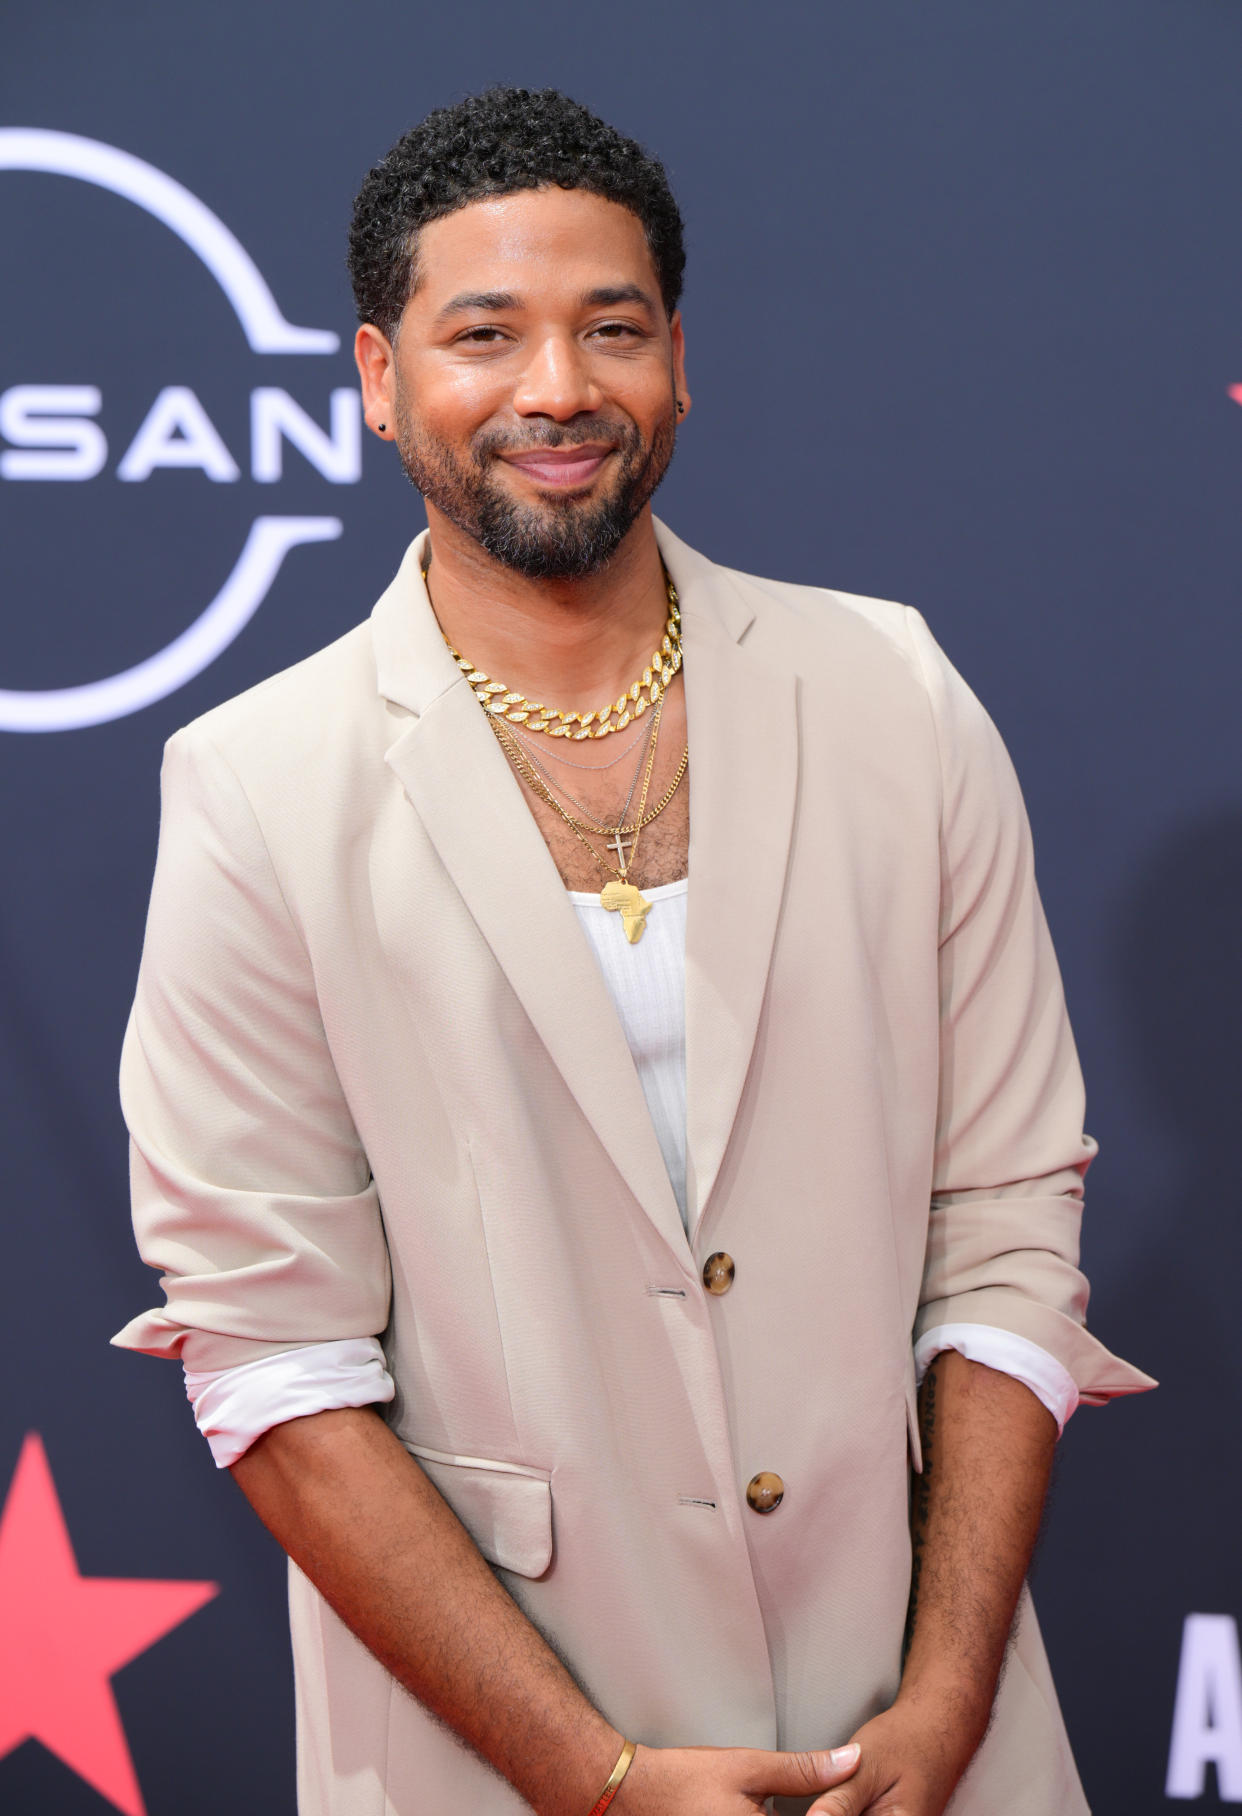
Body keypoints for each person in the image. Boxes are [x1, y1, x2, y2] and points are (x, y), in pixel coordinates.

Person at [114, 87, 1154, 1816]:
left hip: (912, 1733)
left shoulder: (889, 693)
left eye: (611, 328)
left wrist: (949, 1692)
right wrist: (591, 1776)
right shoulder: (257, 785)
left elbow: (1003, 1233)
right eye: (483, 334)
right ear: (378, 378)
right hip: (495, 1750)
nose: (555, 390)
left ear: (679, 358)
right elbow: (271, 1360)